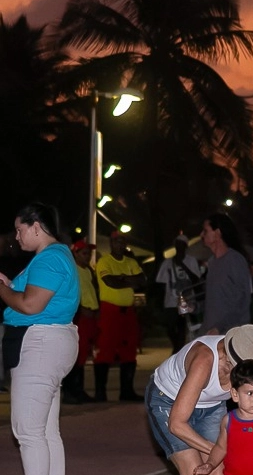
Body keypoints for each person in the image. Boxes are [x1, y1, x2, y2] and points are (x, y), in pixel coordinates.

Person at [0, 202, 80, 475]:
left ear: (36, 226)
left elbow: (31, 305)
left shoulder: (51, 257)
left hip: (40, 343)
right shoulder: (55, 256)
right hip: (48, 342)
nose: (17, 236)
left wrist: (2, 291)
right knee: (45, 431)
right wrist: (12, 287)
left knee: (28, 432)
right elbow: (33, 297)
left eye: (19, 229)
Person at [145, 323, 253, 475]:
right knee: (193, 469)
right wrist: (224, 451)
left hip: (212, 406)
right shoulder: (204, 360)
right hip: (167, 400)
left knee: (219, 469)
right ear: (232, 363)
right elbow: (176, 424)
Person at [94, 230, 146, 402]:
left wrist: (122, 279)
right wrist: (128, 279)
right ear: (111, 243)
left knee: (129, 349)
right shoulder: (104, 261)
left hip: (128, 311)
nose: (120, 244)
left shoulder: (130, 261)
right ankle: (100, 392)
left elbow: (141, 280)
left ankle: (127, 391)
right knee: (106, 348)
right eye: (116, 241)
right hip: (110, 311)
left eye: (122, 241)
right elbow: (110, 282)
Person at [199, 213, 252, 335]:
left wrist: (220, 327)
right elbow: (216, 300)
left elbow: (242, 301)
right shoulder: (212, 262)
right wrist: (194, 307)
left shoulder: (235, 260)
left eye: (205, 231)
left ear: (217, 233)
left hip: (230, 334)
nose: (201, 235)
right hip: (211, 333)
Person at [62, 239, 99, 404]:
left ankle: (79, 390)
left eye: (89, 253)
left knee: (83, 354)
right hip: (80, 315)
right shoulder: (72, 270)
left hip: (90, 314)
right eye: (84, 253)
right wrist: (80, 308)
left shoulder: (88, 270)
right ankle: (70, 391)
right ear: (75, 253)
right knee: (76, 354)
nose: (88, 256)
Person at [156, 233, 203, 353]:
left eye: (182, 245)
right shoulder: (167, 263)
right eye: (177, 245)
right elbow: (161, 284)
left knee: (182, 328)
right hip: (171, 302)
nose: (179, 247)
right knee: (170, 328)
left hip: (186, 301)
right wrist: (160, 302)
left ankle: (177, 350)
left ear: (186, 247)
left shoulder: (191, 261)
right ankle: (177, 348)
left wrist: (183, 265)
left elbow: (196, 280)